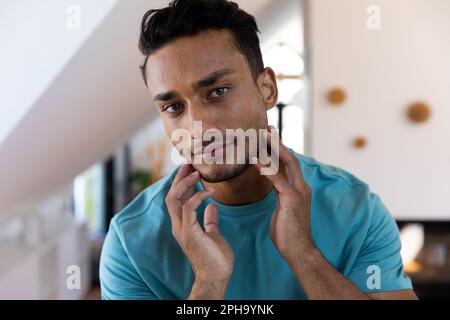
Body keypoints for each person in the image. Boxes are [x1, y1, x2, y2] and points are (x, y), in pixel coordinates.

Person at [99, 0, 417, 300]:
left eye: (218, 91)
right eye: (173, 106)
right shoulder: (131, 240)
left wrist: (304, 255)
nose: (198, 126)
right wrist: (209, 283)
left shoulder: (357, 210)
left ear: (267, 89)